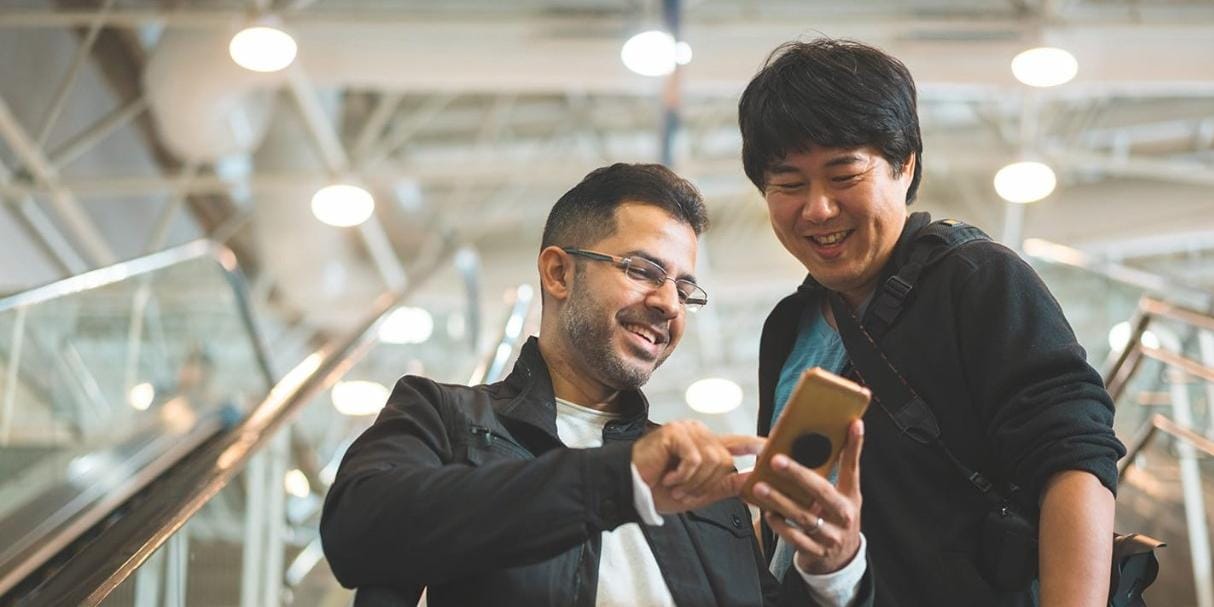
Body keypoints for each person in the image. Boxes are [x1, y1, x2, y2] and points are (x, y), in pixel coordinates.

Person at [320, 163, 873, 606]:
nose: (668, 305)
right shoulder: (445, 417)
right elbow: (359, 529)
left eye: (685, 288)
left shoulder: (706, 480)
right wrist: (622, 480)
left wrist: (833, 571)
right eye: (642, 270)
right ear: (559, 273)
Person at [737, 39, 1125, 606]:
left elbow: (1074, 460)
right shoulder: (789, 327)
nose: (817, 208)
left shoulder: (976, 279)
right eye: (790, 184)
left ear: (905, 166)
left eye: (843, 174)